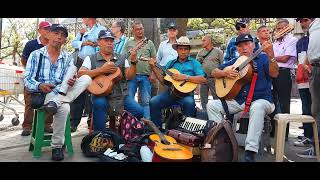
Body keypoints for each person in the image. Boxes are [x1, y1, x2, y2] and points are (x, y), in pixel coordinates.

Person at [24, 24, 92, 161]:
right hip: (44, 94)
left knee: (86, 78)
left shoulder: (67, 57)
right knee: (65, 107)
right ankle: (57, 147)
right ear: (48, 35)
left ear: (65, 41)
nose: (59, 37)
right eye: (56, 33)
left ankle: (57, 101)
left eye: (63, 35)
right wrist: (40, 85)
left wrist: (72, 81)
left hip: (61, 92)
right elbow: (27, 80)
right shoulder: (36, 55)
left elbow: (69, 79)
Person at [207, 34, 279, 162]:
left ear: (253, 44)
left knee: (257, 107)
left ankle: (250, 151)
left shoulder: (263, 58)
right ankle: (223, 141)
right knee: (212, 105)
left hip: (263, 100)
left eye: (247, 44)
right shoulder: (236, 61)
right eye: (240, 46)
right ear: (237, 49)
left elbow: (274, 73)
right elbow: (213, 72)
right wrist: (225, 72)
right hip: (241, 102)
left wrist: (271, 55)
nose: (244, 47)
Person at [78, 29, 144, 131]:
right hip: (100, 93)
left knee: (139, 111)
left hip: (120, 95)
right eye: (106, 40)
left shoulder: (122, 58)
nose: (109, 43)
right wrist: (101, 70)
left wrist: (134, 62)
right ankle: (100, 136)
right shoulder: (91, 58)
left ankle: (123, 131)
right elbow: (81, 73)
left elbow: (129, 76)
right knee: (100, 104)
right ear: (99, 42)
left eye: (111, 40)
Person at [149, 36, 207, 128]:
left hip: (187, 95)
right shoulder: (171, 63)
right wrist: (153, 68)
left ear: (189, 50)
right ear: (177, 50)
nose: (183, 51)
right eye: (180, 49)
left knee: (189, 103)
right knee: (153, 101)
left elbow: (203, 79)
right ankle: (157, 130)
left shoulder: (194, 63)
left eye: (185, 49)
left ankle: (185, 132)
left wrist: (185, 77)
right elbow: (164, 82)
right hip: (170, 94)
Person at [70, 18, 106, 132]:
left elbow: (102, 43)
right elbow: (74, 43)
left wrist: (93, 42)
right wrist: (84, 42)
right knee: (78, 91)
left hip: (95, 62)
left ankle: (92, 121)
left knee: (94, 90)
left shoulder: (101, 29)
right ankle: (74, 122)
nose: (83, 19)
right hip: (81, 62)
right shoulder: (82, 30)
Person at [20, 21, 53, 136]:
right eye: (45, 29)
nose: (48, 31)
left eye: (49, 29)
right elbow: (24, 60)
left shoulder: (53, 44)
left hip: (48, 79)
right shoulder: (31, 44)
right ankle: (27, 126)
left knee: (49, 102)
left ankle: (47, 125)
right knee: (29, 102)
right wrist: (30, 71)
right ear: (39, 30)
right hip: (32, 78)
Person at [122, 21, 157, 119]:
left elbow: (154, 59)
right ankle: (130, 125)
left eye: (141, 28)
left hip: (146, 76)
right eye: (137, 29)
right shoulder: (128, 43)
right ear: (133, 31)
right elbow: (123, 58)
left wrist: (153, 74)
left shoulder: (149, 43)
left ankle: (146, 125)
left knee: (146, 101)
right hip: (131, 76)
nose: (140, 31)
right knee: (129, 100)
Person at [296, 18, 319, 158]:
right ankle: (315, 147)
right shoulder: (312, 29)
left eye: (303, 21)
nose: (302, 25)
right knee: (314, 110)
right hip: (314, 69)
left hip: (315, 69)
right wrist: (306, 64)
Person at [272, 19, 298, 140]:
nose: (280, 30)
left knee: (283, 103)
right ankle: (273, 131)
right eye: (278, 28)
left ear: (288, 28)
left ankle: (284, 134)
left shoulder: (292, 40)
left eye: (283, 28)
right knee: (272, 102)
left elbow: (285, 58)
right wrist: (273, 58)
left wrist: (272, 57)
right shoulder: (274, 42)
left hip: (284, 73)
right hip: (272, 73)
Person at [196, 35, 223, 110]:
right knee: (203, 98)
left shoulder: (218, 52)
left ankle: (218, 113)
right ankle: (205, 114)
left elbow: (223, 65)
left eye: (204, 40)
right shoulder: (200, 53)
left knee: (216, 97)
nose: (202, 42)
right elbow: (197, 67)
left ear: (209, 41)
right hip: (203, 79)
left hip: (215, 79)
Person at [156, 22, 178, 93]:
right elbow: (158, 59)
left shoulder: (181, 44)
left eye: (173, 30)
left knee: (177, 96)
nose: (172, 32)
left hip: (177, 74)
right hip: (163, 74)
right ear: (167, 32)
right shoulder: (162, 44)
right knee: (162, 96)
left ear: (177, 32)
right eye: (170, 30)